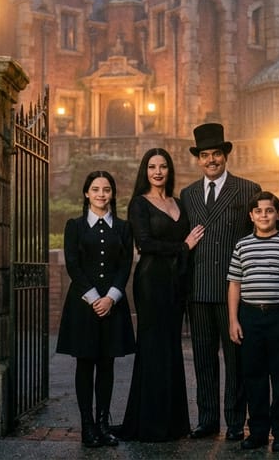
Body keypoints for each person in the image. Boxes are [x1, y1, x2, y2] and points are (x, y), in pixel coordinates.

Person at [179, 123, 279, 442]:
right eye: (205, 155)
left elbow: (268, 215)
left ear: (225, 156)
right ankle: (207, 420)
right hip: (199, 287)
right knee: (204, 359)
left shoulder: (247, 188)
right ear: (198, 159)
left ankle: (235, 422)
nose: (211, 160)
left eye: (216, 154)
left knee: (236, 362)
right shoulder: (188, 194)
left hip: (236, 288)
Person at [119, 148, 204, 441]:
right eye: (152, 167)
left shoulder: (179, 202)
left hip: (176, 284)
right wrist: (184, 246)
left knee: (171, 350)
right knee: (153, 349)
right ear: (145, 171)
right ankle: (151, 425)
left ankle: (174, 423)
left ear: (169, 170)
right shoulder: (138, 204)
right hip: (151, 282)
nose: (158, 172)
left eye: (163, 166)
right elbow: (144, 243)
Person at [55, 170, 136, 448]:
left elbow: (125, 265)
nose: (102, 194)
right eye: (96, 189)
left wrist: (111, 298)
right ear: (87, 193)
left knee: (107, 365)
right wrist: (94, 298)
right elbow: (73, 265)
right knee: (85, 364)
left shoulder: (123, 228)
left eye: (107, 190)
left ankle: (103, 425)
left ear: (112, 194)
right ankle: (87, 427)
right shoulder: (74, 226)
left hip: (113, 306)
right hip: (83, 308)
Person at [227, 191, 279, 452]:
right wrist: (233, 320)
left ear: (278, 214)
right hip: (250, 317)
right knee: (254, 377)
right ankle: (258, 432)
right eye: (259, 211)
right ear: (251, 216)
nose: (264, 215)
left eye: (269, 210)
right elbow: (234, 284)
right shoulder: (242, 246)